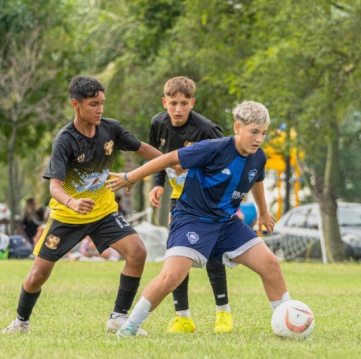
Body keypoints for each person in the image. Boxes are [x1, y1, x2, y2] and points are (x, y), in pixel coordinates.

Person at [107, 100, 293, 338]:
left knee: (271, 265)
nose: (259, 138)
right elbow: (167, 159)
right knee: (171, 277)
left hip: (227, 224)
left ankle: (288, 320)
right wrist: (130, 176)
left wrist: (264, 212)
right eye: (254, 132)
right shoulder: (213, 148)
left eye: (263, 133)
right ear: (237, 128)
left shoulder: (258, 156)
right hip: (192, 219)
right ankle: (130, 327)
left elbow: (256, 179)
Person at [2, 75, 162, 335]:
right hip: (67, 215)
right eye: (93, 104)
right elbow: (54, 186)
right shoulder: (64, 140)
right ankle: (21, 321)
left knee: (137, 252)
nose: (99, 110)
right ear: (75, 105)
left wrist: (174, 161)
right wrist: (72, 202)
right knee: (38, 274)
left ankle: (118, 318)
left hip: (104, 212)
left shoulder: (111, 129)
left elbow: (141, 148)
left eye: (102, 103)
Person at [148, 76, 232, 333]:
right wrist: (158, 182)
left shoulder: (207, 129)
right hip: (179, 199)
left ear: (192, 103)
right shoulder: (157, 124)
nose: (178, 109)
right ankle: (183, 317)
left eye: (184, 103)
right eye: (173, 103)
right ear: (165, 102)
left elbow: (228, 162)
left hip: (207, 199)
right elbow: (157, 157)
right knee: (178, 253)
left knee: (214, 252)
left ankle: (223, 314)